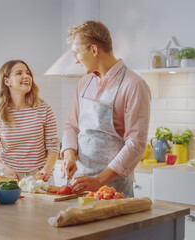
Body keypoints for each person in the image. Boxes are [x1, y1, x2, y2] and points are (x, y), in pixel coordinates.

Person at [61, 20, 151, 197]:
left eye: (77, 53)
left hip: (112, 189)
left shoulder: (133, 84)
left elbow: (136, 143)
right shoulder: (84, 82)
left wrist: (100, 181)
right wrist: (70, 155)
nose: (76, 60)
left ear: (94, 50)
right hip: (78, 184)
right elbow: (71, 126)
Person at [0, 60, 59, 182]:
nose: (26, 76)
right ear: (7, 81)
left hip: (40, 178)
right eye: (19, 73)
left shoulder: (44, 109)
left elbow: (53, 147)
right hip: (10, 178)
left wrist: (46, 169)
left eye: (28, 73)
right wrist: (4, 168)